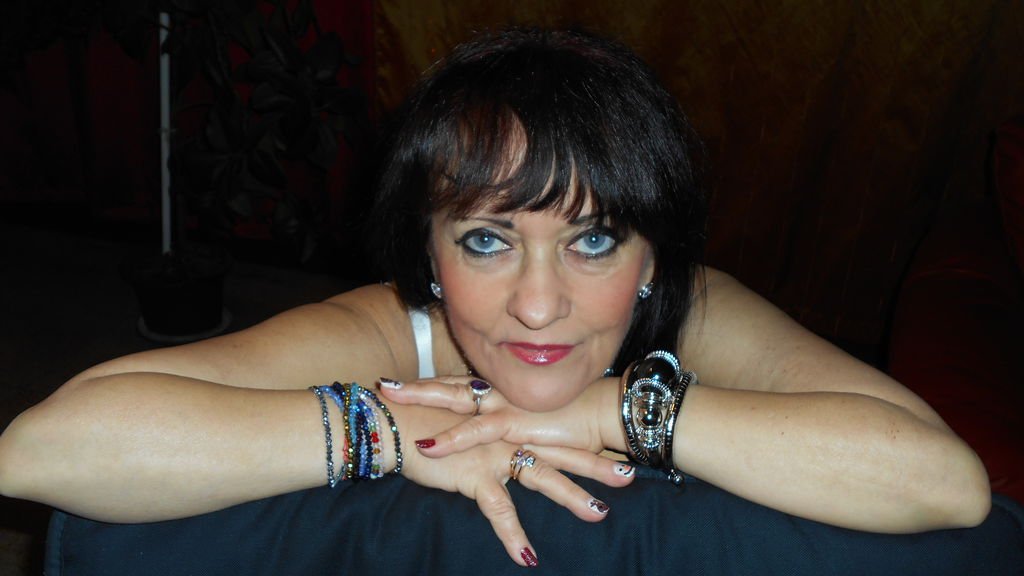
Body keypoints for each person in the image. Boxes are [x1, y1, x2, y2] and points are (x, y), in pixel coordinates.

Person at [0, 27, 992, 570]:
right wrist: (388, 429)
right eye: (486, 240)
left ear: (654, 257)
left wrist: (610, 411)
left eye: (593, 240)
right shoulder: (394, 324)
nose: (537, 306)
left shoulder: (691, 307)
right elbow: (43, 450)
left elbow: (946, 485)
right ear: (428, 256)